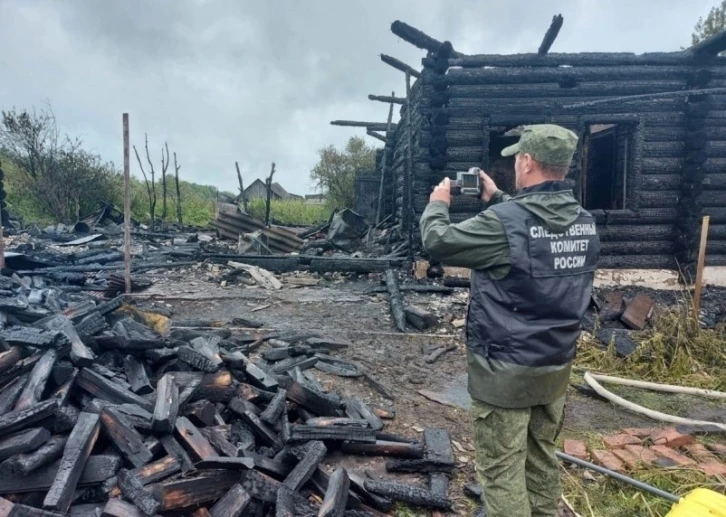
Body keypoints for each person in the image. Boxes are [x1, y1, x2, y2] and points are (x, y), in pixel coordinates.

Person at [419, 124, 600, 517]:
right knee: (542, 458)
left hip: (505, 371)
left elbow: (438, 242)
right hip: (555, 366)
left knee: (500, 472)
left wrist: (438, 204)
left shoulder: (503, 221)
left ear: (528, 161)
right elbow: (535, 232)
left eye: (518, 156)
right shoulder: (585, 221)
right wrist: (498, 197)